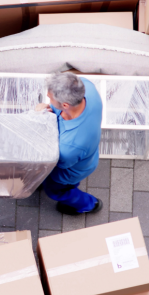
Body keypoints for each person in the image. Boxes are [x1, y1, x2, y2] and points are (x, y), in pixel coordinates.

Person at [36, 72, 104, 216]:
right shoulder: (86, 87)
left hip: (68, 172)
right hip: (87, 155)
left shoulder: (69, 147)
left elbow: (54, 162)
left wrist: (38, 119)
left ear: (65, 105)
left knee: (57, 191)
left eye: (50, 98)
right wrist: (49, 109)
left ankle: (88, 205)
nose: (48, 99)